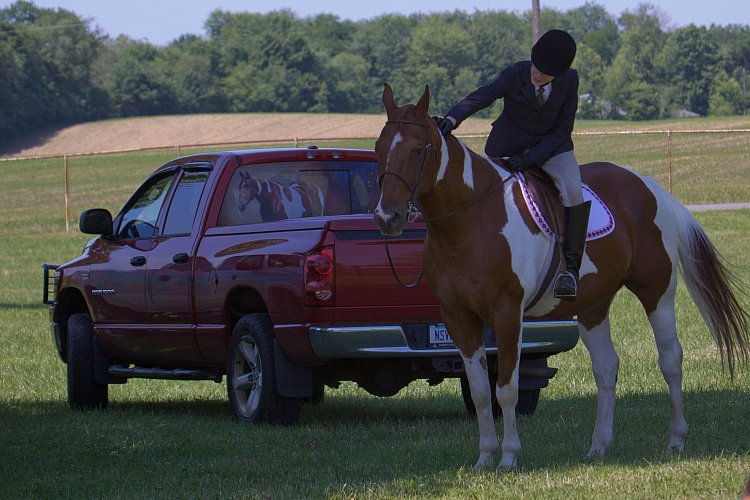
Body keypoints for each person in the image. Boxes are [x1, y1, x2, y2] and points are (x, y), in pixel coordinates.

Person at [435, 28, 590, 300]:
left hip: (552, 148)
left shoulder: (569, 81)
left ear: (560, 73)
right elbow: (482, 96)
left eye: (544, 73)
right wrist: (451, 119)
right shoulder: (515, 73)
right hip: (507, 145)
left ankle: (571, 271)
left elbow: (562, 129)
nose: (537, 74)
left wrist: (530, 159)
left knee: (574, 192)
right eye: (536, 67)